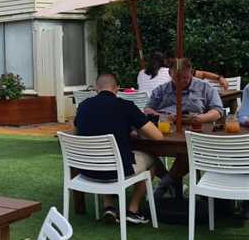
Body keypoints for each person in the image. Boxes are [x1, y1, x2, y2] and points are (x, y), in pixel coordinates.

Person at [74, 73, 164, 225]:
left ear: (96, 88)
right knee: (152, 159)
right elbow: (157, 136)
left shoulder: (83, 106)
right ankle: (133, 210)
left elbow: (78, 134)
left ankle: (108, 206)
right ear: (117, 89)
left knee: (104, 156)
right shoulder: (125, 106)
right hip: (115, 171)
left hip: (87, 170)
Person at [143, 58, 225, 198]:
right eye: (177, 78)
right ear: (170, 74)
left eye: (186, 78)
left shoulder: (205, 88)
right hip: (167, 131)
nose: (182, 81)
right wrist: (161, 116)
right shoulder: (162, 90)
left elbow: (218, 111)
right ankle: (169, 180)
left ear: (191, 73)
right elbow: (148, 109)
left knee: (190, 150)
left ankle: (164, 184)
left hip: (195, 130)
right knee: (144, 149)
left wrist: (200, 118)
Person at [137, 52, 228, 94]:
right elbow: (203, 74)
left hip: (143, 110)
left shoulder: (141, 73)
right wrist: (219, 78)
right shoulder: (170, 71)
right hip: (164, 109)